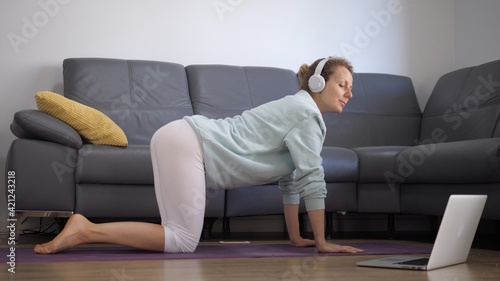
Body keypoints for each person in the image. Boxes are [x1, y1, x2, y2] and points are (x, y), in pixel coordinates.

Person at [34, 56, 363, 255]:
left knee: (175, 233)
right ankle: (85, 230)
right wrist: (322, 242)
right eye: (342, 84)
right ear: (318, 83)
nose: (349, 93)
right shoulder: (307, 115)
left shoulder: (296, 109)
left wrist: (297, 238)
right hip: (188, 142)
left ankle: (84, 229)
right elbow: (312, 179)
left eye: (351, 87)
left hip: (178, 137)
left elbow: (292, 181)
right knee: (182, 240)